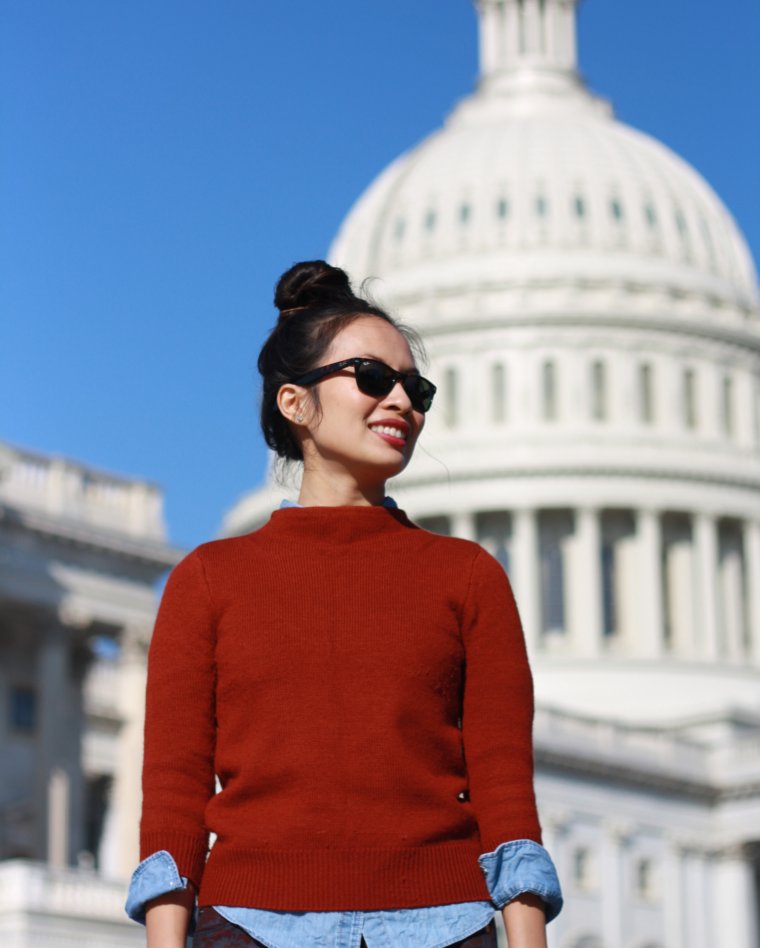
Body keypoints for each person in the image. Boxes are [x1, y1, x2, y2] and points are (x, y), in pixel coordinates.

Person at [126, 260, 562, 947]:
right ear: (294, 402)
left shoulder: (468, 577)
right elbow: (174, 793)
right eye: (372, 378)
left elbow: (504, 789)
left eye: (416, 387)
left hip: (443, 925)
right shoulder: (208, 579)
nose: (402, 402)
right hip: (250, 926)